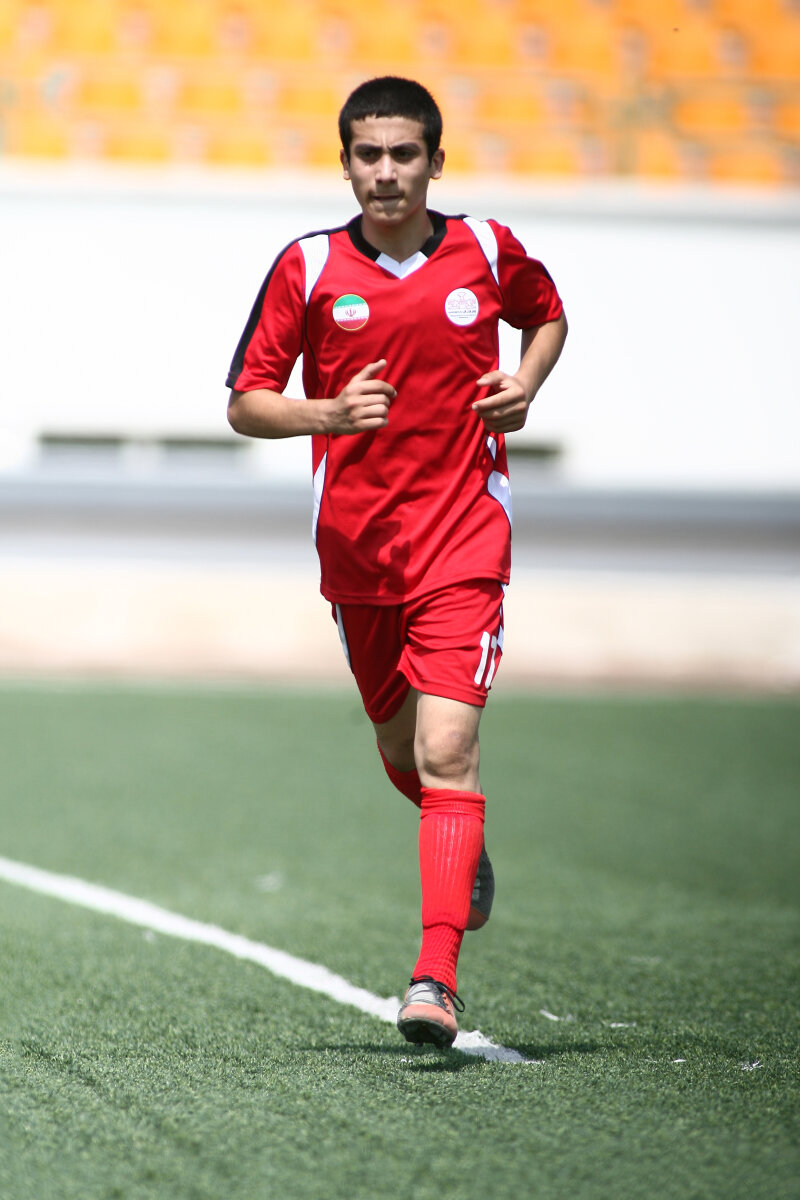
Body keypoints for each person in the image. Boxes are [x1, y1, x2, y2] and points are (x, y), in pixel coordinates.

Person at [226, 76, 567, 1049]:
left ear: (435, 162)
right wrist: (326, 413)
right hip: (358, 550)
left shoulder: (487, 249)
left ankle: (435, 978)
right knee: (402, 752)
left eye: (404, 154)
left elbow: (547, 315)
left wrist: (525, 383)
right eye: (368, 155)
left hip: (464, 539)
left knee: (447, 751)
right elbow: (246, 401)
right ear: (345, 165)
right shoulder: (308, 267)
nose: (386, 172)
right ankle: (461, 842)